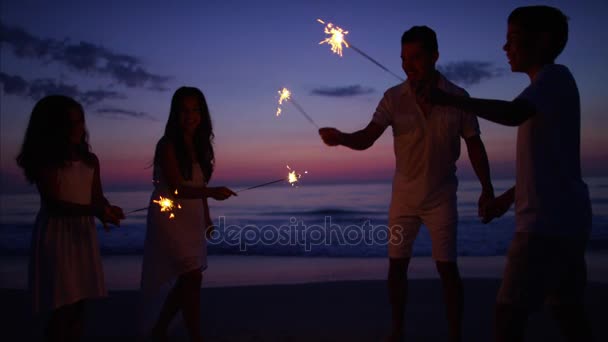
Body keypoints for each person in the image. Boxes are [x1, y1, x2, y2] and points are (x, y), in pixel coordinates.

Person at [319, 26, 494, 342]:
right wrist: (342, 138)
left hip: (442, 197)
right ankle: (397, 331)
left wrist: (487, 188)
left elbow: (475, 144)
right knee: (397, 267)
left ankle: (456, 334)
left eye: (415, 57)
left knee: (447, 270)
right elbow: (368, 138)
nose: (408, 65)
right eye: (403, 58)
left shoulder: (458, 98)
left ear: (434, 56)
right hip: (403, 199)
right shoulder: (393, 98)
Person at [429, 6, 592, 342]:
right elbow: (549, 168)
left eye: (513, 39)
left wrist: (451, 100)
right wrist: (506, 199)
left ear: (543, 40)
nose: (506, 48)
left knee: (507, 317)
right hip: (567, 220)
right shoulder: (549, 87)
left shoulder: (554, 78)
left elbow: (513, 113)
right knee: (568, 313)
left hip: (545, 225)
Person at [17, 95, 125, 341]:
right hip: (57, 236)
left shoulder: (90, 160)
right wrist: (95, 211)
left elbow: (96, 198)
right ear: (52, 127)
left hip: (82, 236)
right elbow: (55, 205)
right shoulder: (48, 161)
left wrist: (107, 210)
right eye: (70, 123)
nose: (77, 128)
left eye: (80, 121)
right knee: (62, 307)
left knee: (79, 304)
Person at [140, 86, 237, 341]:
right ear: (175, 113)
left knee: (189, 280)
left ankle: (160, 330)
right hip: (170, 217)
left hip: (192, 217)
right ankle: (195, 336)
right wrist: (212, 193)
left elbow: (200, 187)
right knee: (192, 277)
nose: (190, 115)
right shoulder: (167, 145)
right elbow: (176, 188)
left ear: (202, 114)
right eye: (184, 110)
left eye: (195, 110)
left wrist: (206, 219)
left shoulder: (201, 146)